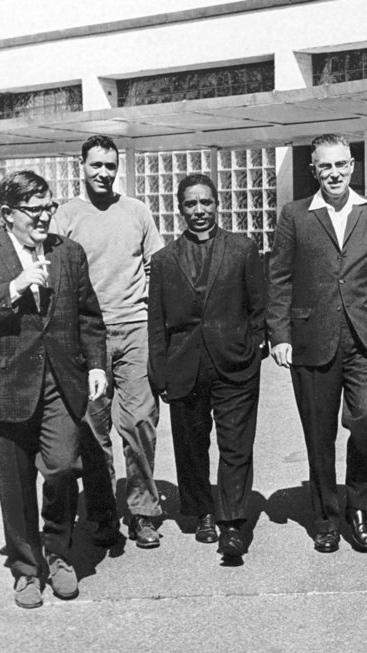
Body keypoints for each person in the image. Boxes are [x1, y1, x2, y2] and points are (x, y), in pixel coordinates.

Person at [0, 171, 107, 608]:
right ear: (7, 214)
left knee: (61, 468)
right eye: (33, 210)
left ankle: (58, 553)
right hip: (3, 382)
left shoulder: (69, 253)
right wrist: (13, 288)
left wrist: (96, 365)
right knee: (14, 484)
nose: (43, 217)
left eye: (48, 208)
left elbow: (89, 316)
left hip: (61, 382)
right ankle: (25, 569)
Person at [267, 133, 367, 554]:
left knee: (365, 419)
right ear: (313, 170)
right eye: (324, 166)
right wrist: (279, 335)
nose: (333, 173)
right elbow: (278, 278)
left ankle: (361, 509)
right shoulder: (295, 215)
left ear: (352, 167)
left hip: (364, 337)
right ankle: (327, 518)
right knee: (319, 434)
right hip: (312, 340)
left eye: (340, 165)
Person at [50, 134, 164, 549]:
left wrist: (151, 311)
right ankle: (101, 515)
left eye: (110, 166)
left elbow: (156, 264)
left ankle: (144, 512)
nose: (103, 172)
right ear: (81, 166)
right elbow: (55, 274)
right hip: (86, 338)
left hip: (134, 328)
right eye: (96, 165)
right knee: (93, 431)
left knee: (139, 423)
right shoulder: (65, 216)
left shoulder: (136, 211)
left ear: (118, 168)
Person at [148, 173, 266, 558]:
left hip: (235, 364)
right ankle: (201, 512)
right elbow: (157, 322)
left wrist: (254, 347)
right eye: (190, 204)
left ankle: (232, 524)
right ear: (180, 208)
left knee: (236, 445)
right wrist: (160, 372)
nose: (199, 211)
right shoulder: (164, 261)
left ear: (218, 204)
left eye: (206, 202)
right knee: (192, 445)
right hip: (185, 367)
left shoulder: (242, 249)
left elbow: (257, 306)